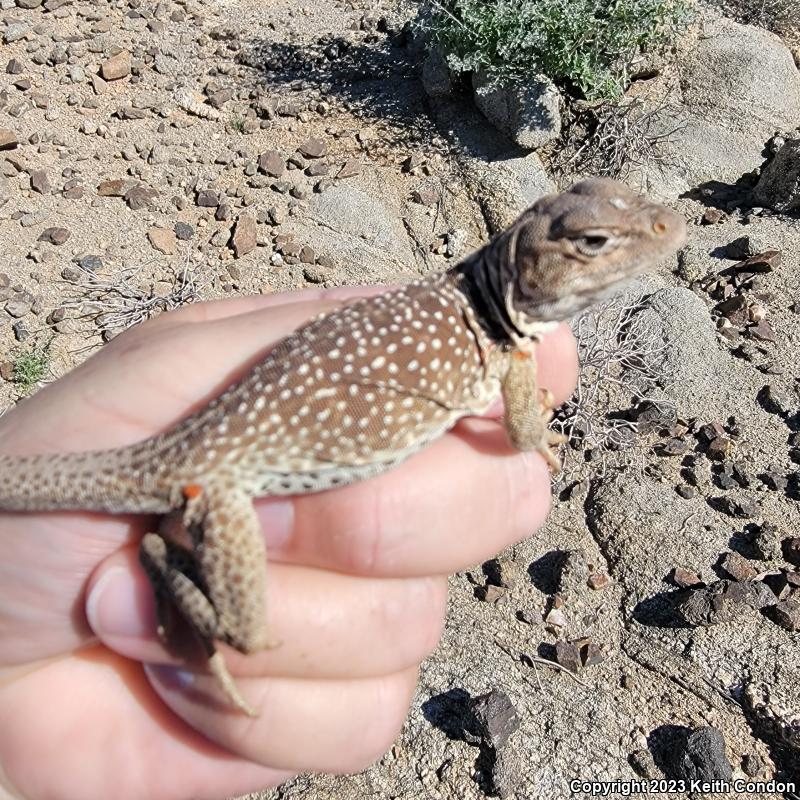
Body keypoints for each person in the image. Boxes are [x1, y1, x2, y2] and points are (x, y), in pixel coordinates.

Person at [0, 287, 577, 800]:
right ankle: (160, 560)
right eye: (595, 244)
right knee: (249, 634)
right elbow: (524, 431)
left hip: (201, 453)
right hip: (212, 482)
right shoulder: (493, 336)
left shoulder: (460, 314)